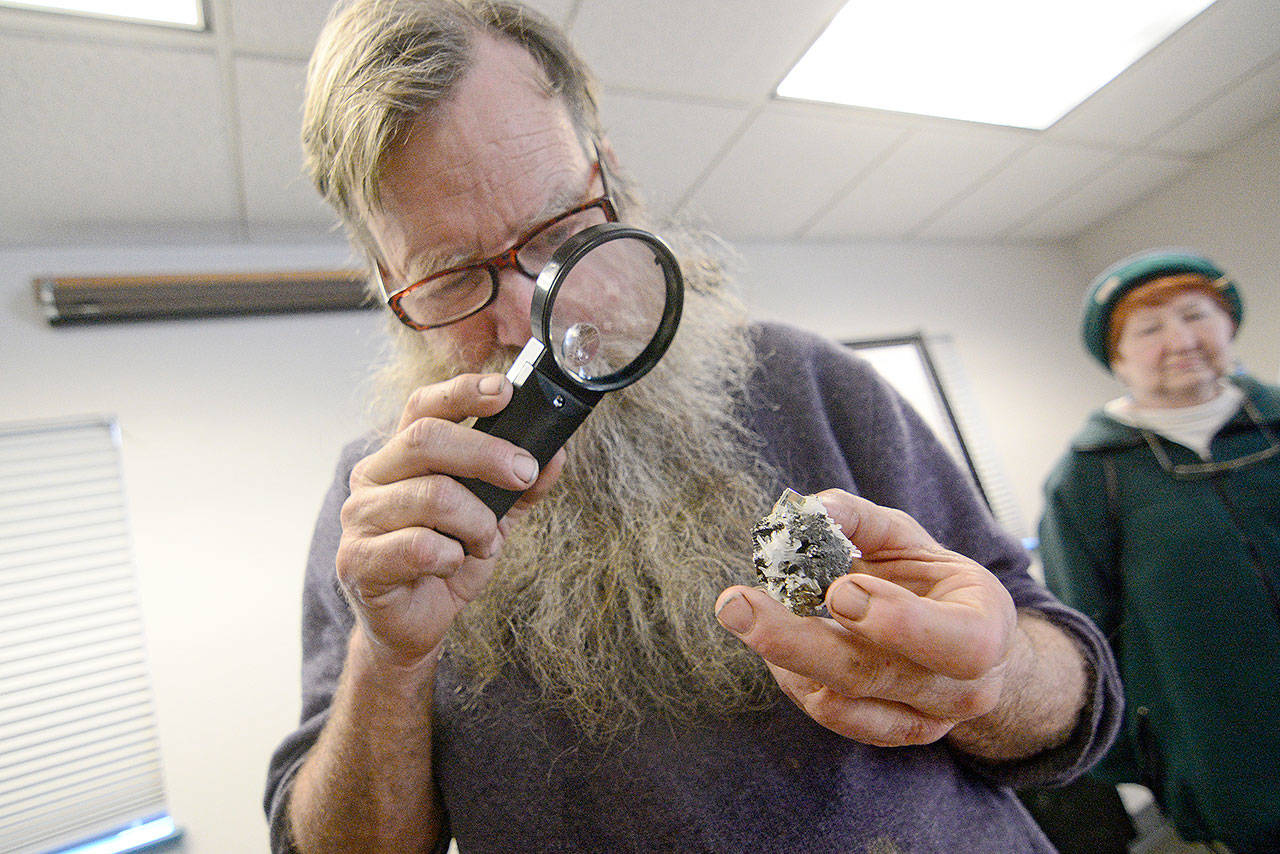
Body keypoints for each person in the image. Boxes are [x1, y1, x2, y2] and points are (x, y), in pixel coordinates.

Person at [264, 1, 1123, 851]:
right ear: (387, 282)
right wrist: (390, 658)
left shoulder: (811, 380)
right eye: (451, 275)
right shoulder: (379, 516)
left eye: (560, 231)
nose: (532, 316)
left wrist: (996, 675)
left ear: (612, 182)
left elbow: (1073, 698)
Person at [1039, 248, 1280, 854]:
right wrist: (1136, 760)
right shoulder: (1088, 480)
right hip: (1223, 757)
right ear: (1117, 359)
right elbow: (1086, 634)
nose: (1180, 339)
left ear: (1228, 328)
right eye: (1149, 329)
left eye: (1197, 315)